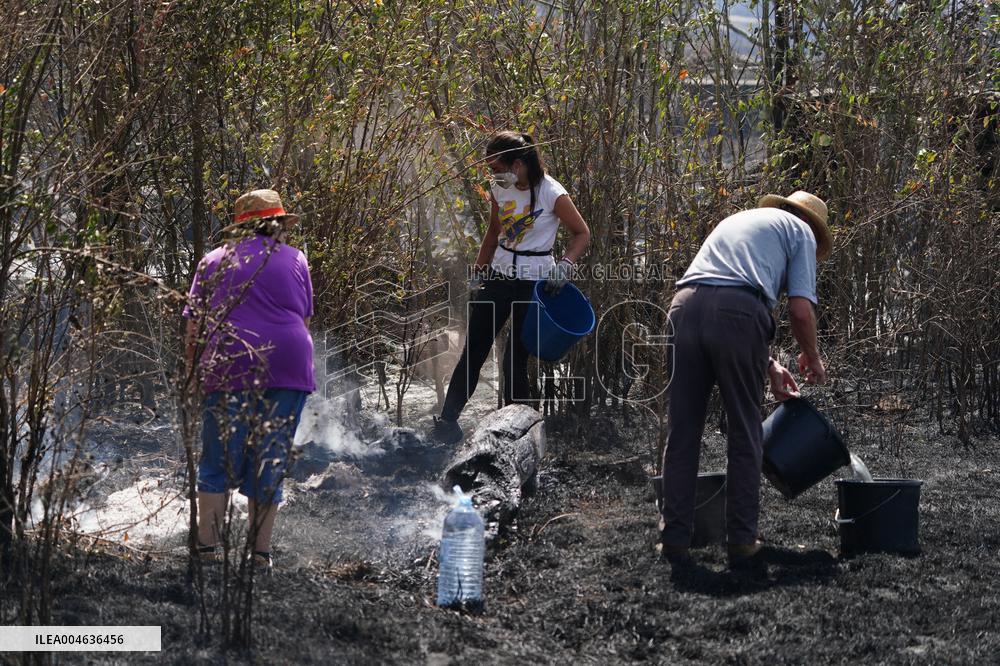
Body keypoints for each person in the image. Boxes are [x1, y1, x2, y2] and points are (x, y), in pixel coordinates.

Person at [658, 190, 832, 567]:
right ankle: (741, 539)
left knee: (683, 430)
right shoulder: (802, 232)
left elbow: (716, 293)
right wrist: (812, 356)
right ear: (814, 228)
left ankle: (674, 537)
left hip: (683, 309)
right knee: (745, 431)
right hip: (736, 316)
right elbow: (799, 311)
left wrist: (769, 365)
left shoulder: (742, 221)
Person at [428, 131, 591, 444]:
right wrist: (478, 276)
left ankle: (521, 436)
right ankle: (447, 423)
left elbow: (581, 233)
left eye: (496, 168)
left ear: (517, 164)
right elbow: (492, 233)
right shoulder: (499, 189)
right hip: (499, 278)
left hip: (534, 283)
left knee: (513, 360)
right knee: (473, 351)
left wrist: (565, 267)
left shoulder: (551, 192)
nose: (492, 175)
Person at [184, 188, 315, 571]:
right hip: (289, 365)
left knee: (218, 459)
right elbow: (304, 322)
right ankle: (259, 555)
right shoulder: (296, 259)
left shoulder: (212, 261)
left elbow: (194, 326)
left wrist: (194, 372)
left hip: (230, 363)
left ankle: (207, 550)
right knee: (270, 458)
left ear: (241, 227)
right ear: (277, 225)